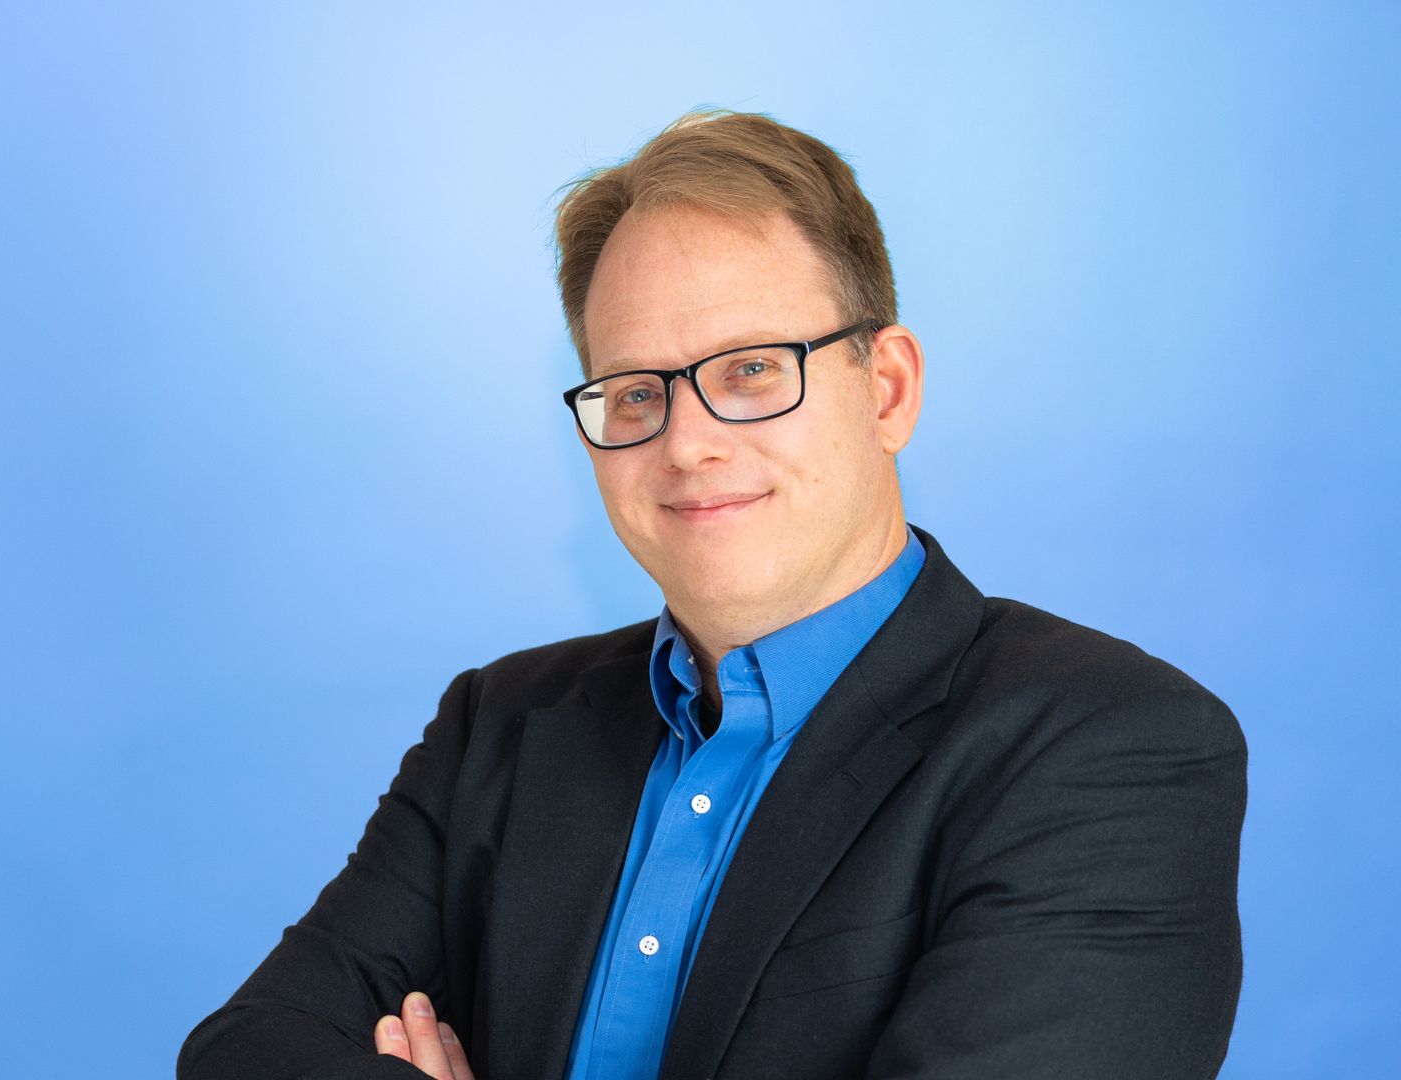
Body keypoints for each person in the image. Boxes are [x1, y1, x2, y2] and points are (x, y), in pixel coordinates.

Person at [176, 109, 1247, 1080]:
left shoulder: (1110, 748)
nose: (687, 444)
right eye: (636, 391)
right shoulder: (496, 727)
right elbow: (244, 1052)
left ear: (887, 391)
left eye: (751, 370)